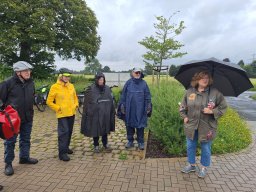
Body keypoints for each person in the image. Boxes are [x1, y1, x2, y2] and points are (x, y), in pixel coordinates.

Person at [179, 71, 227, 178]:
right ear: (196, 79)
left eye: (207, 78)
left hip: (207, 127)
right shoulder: (189, 92)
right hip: (191, 125)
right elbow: (182, 106)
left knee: (205, 148)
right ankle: (192, 165)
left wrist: (212, 111)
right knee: (190, 146)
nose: (205, 80)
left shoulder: (215, 93)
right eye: (202, 77)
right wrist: (184, 117)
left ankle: (204, 167)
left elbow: (223, 107)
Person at [0, 61, 38, 176]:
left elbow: (32, 96)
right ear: (18, 72)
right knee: (10, 142)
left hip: (27, 117)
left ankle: (24, 157)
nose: (28, 72)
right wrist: (4, 114)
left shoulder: (31, 83)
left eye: (29, 70)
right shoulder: (7, 83)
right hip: (12, 120)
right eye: (25, 71)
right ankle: (8, 163)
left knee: (26, 139)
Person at [46, 68, 78, 161]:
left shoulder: (71, 86)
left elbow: (75, 97)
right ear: (61, 76)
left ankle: (66, 148)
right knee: (64, 133)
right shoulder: (54, 87)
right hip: (62, 114)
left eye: (68, 76)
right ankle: (62, 153)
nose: (67, 78)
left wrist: (76, 104)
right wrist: (58, 108)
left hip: (71, 113)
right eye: (65, 76)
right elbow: (49, 101)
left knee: (69, 131)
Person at [80, 72, 115, 153]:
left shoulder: (107, 88)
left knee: (105, 129)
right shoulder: (91, 89)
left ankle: (105, 143)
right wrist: (89, 111)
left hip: (105, 113)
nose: (101, 81)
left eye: (102, 79)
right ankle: (96, 145)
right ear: (96, 80)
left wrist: (111, 110)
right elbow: (87, 103)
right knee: (95, 130)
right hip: (95, 114)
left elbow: (110, 101)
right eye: (99, 79)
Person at [118, 68, 152, 150]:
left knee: (140, 126)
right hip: (129, 109)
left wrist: (148, 105)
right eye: (136, 72)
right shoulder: (128, 83)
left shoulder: (144, 84)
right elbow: (123, 95)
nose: (137, 74)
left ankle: (140, 142)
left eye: (139, 72)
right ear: (132, 73)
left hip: (141, 110)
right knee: (129, 125)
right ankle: (130, 141)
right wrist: (122, 105)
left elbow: (148, 96)